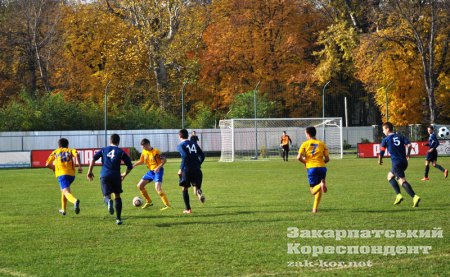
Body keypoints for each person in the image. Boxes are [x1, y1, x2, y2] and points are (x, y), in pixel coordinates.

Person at [87, 134, 133, 225]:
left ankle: (108, 202)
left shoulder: (104, 149)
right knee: (117, 195)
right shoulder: (121, 151)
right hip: (116, 176)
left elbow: (93, 159)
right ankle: (118, 219)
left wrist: (89, 172)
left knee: (106, 196)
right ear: (118, 142)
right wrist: (124, 174)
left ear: (110, 141)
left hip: (104, 175)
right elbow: (130, 166)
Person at [378, 122, 420, 207]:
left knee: (402, 181)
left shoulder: (386, 139)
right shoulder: (400, 136)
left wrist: (380, 160)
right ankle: (398, 195)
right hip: (404, 162)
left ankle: (414, 196)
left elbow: (382, 151)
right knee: (390, 176)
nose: (383, 132)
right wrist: (408, 154)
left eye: (383, 130)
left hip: (396, 163)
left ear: (387, 129)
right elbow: (409, 145)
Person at [45, 138, 82, 216]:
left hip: (62, 174)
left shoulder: (55, 152)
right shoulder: (70, 150)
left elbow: (47, 164)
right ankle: (63, 210)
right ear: (67, 145)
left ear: (58, 146)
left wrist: (54, 168)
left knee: (66, 192)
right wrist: (79, 166)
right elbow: (77, 154)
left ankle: (75, 201)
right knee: (64, 191)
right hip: (71, 175)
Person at [131, 138, 170, 210]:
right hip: (151, 172)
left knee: (158, 189)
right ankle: (149, 201)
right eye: (142, 147)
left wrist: (158, 167)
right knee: (140, 186)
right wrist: (134, 165)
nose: (143, 148)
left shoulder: (156, 152)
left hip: (158, 171)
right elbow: (141, 160)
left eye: (144, 146)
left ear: (148, 144)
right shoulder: (144, 152)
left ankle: (167, 205)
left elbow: (164, 160)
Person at [297, 126, 329, 213]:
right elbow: (327, 159)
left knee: (313, 191)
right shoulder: (322, 144)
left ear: (308, 134)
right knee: (319, 191)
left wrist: (305, 163)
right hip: (322, 168)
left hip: (311, 168)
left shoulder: (305, 144)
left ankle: (321, 184)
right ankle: (314, 209)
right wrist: (321, 163)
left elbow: (298, 157)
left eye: (305, 134)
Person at [177, 129, 205, 214]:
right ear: (187, 136)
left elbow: (185, 156)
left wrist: (181, 169)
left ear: (179, 136)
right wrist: (198, 164)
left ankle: (188, 209)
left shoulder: (180, 145)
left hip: (187, 170)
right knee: (195, 188)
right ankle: (199, 192)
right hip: (197, 169)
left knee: (184, 188)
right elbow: (202, 155)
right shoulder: (194, 144)